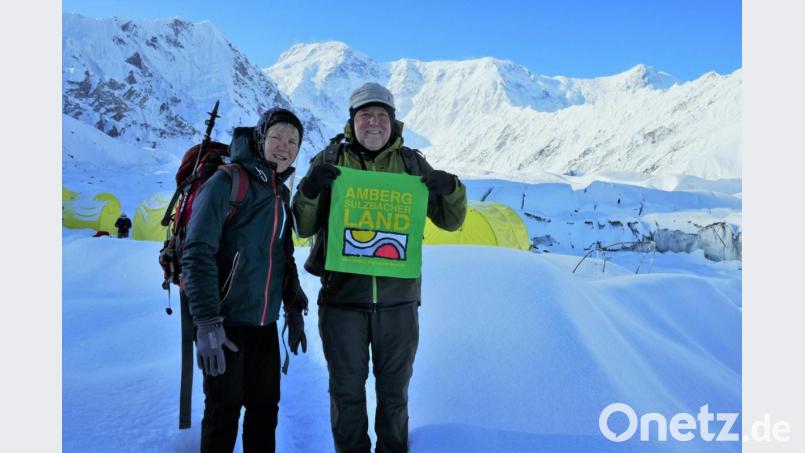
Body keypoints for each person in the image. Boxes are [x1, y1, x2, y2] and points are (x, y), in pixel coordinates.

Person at [293, 82, 467, 453]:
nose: (374, 122)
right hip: (342, 301)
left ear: (393, 121)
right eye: (365, 115)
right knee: (346, 392)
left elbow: (450, 222)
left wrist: (452, 188)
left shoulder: (412, 164)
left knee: (394, 394)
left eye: (381, 115)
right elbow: (303, 227)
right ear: (352, 120)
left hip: (399, 303)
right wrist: (309, 190)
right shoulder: (329, 160)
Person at [181, 108, 309, 452]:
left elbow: (281, 256)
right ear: (260, 138)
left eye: (293, 142)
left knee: (265, 411)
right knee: (222, 413)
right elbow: (197, 253)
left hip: (264, 325)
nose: (284, 147)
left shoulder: (279, 193)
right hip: (224, 325)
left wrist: (293, 306)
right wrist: (207, 321)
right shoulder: (226, 183)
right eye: (277, 137)